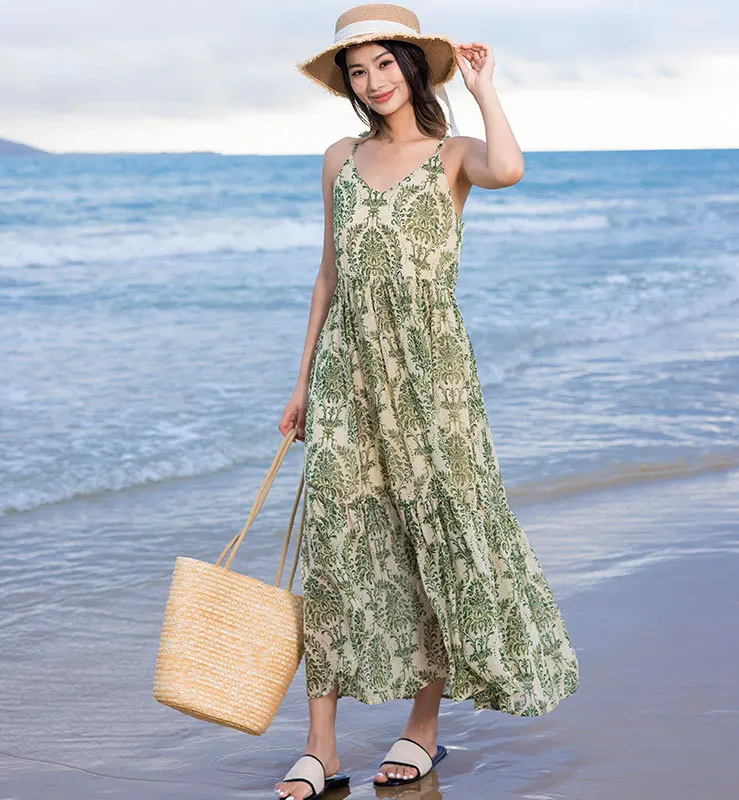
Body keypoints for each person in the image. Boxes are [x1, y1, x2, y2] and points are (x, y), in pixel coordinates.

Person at [276, 4, 580, 798]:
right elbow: (328, 275)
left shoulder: (452, 154)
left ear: (413, 67)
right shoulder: (339, 156)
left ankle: (421, 731)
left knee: (433, 542)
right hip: (349, 372)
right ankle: (321, 746)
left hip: (433, 380)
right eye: (358, 69)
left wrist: (485, 90)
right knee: (339, 549)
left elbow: (509, 169)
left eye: (384, 64)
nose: (373, 81)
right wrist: (304, 379)